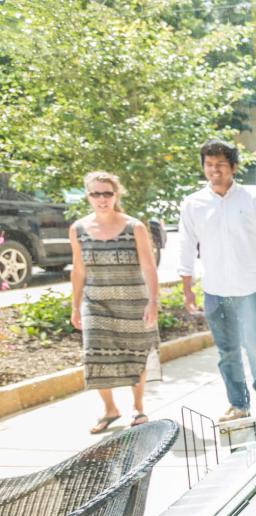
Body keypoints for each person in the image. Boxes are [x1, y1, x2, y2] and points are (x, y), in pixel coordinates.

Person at [176, 139, 256, 422]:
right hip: (215, 289)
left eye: (220, 165)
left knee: (255, 346)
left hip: (250, 287)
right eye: (209, 165)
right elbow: (186, 246)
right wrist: (187, 289)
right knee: (227, 352)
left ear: (233, 167)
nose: (214, 170)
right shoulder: (193, 204)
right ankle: (238, 404)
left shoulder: (252, 200)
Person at [69, 172, 160, 434]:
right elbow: (78, 270)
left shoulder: (135, 227)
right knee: (94, 353)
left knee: (136, 353)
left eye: (107, 193)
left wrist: (152, 301)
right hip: (95, 302)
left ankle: (138, 407)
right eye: (95, 193)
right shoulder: (78, 229)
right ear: (88, 196)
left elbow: (148, 266)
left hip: (133, 301)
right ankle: (110, 409)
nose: (101, 199)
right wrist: (75, 306)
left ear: (115, 194)